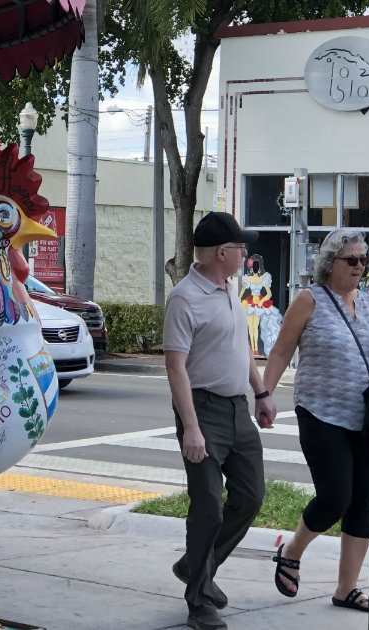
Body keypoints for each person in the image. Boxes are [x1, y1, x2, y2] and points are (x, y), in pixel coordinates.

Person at [162, 211, 277, 630]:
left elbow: (241, 347)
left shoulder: (231, 288)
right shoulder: (184, 298)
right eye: (241, 246)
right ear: (222, 252)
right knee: (208, 507)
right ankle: (199, 600)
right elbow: (175, 367)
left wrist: (261, 393)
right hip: (202, 410)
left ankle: (196, 565)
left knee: (250, 497)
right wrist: (191, 428)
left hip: (237, 410)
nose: (246, 252)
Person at [260, 229, 369, 613]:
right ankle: (291, 551)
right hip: (320, 412)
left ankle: (346, 589)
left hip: (366, 417)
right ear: (330, 263)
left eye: (364, 260)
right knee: (335, 497)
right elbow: (280, 352)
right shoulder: (309, 300)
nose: (360, 267)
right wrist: (265, 396)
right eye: (352, 260)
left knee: (363, 503)